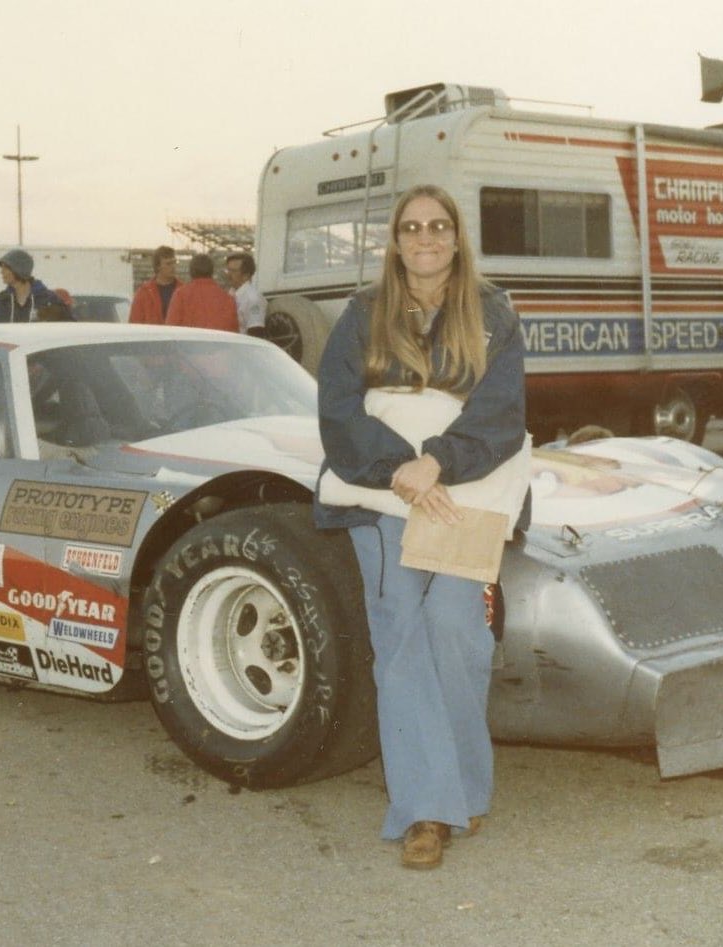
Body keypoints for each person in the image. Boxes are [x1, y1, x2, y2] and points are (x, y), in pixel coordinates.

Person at [315, 184, 528, 870]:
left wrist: (440, 461)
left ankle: (464, 782)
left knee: (457, 629)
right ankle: (426, 809)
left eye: (439, 226)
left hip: (466, 491)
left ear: (457, 237)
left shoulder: (494, 313)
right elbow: (338, 407)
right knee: (402, 634)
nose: (427, 238)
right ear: (397, 240)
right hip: (382, 493)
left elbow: (502, 412)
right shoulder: (362, 314)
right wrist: (400, 469)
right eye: (413, 227)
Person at [165, 254, 238, 332]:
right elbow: (233, 331)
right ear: (211, 271)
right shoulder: (228, 298)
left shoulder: (180, 295)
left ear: (191, 271)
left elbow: (171, 329)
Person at [0, 249, 60, 323]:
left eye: (6, 268)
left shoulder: (49, 299)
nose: (1, 272)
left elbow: (67, 328)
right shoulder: (1, 300)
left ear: (18, 270)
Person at [129, 246, 182, 325]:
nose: (173, 267)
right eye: (168, 264)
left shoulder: (183, 291)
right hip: (153, 336)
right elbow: (134, 323)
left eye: (174, 262)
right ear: (158, 266)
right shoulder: (144, 293)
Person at [225, 252, 267, 336]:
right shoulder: (231, 293)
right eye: (228, 270)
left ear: (246, 275)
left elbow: (256, 331)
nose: (228, 275)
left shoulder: (253, 298)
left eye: (233, 271)